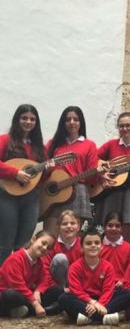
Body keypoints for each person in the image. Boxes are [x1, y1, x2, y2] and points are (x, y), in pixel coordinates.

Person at [57, 228, 130, 325]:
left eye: (97, 243)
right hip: (83, 301)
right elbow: (77, 291)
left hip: (103, 300)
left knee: (128, 295)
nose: (93, 245)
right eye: (89, 243)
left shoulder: (108, 266)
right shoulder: (75, 267)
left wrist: (100, 303)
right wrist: (94, 303)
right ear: (81, 248)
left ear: (102, 246)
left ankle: (89, 318)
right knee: (63, 298)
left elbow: (108, 290)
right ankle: (104, 318)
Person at [0, 104, 47, 264]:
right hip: (7, 196)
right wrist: (15, 173)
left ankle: (18, 280)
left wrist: (49, 169)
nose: (28, 122)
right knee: (5, 244)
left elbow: (41, 177)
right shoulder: (5, 140)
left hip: (31, 198)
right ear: (17, 119)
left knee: (24, 244)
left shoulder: (38, 146)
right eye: (24, 118)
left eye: (32, 119)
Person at [96, 112, 130, 241]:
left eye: (128, 125)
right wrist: (102, 174)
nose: (124, 129)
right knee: (110, 218)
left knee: (128, 218)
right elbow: (94, 159)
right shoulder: (111, 145)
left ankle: (124, 248)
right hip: (112, 187)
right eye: (121, 126)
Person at [44, 106, 99, 230]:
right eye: (68, 119)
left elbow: (92, 176)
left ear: (81, 123)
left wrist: (97, 175)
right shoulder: (53, 143)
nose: (72, 122)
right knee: (50, 237)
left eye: (76, 119)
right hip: (54, 194)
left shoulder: (89, 145)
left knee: (72, 238)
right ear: (63, 123)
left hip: (78, 192)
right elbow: (43, 168)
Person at [0, 230, 56, 318]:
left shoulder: (39, 262)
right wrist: (36, 304)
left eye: (48, 248)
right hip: (8, 294)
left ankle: (23, 310)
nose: (45, 248)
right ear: (33, 239)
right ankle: (35, 310)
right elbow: (18, 286)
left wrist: (38, 291)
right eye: (43, 243)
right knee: (10, 294)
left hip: (26, 294)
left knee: (57, 290)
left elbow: (44, 281)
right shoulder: (16, 259)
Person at [100, 211, 130, 286]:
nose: (114, 229)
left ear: (122, 228)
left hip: (121, 286)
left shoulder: (129, 248)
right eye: (110, 225)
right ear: (104, 227)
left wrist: (123, 281)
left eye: (117, 226)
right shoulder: (98, 246)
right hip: (101, 284)